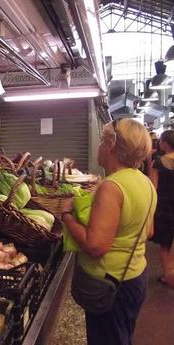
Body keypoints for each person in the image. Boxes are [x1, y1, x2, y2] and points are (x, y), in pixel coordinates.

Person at [63, 118, 157, 345]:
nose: (98, 146)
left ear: (110, 145)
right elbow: (149, 231)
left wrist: (66, 216)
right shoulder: (145, 183)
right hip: (135, 276)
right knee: (121, 337)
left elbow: (96, 246)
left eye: (101, 141)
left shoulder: (111, 187)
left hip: (110, 283)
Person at [149, 130, 174, 288]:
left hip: (164, 209)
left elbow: (153, 188)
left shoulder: (158, 163)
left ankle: (168, 277)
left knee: (164, 246)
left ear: (164, 142)